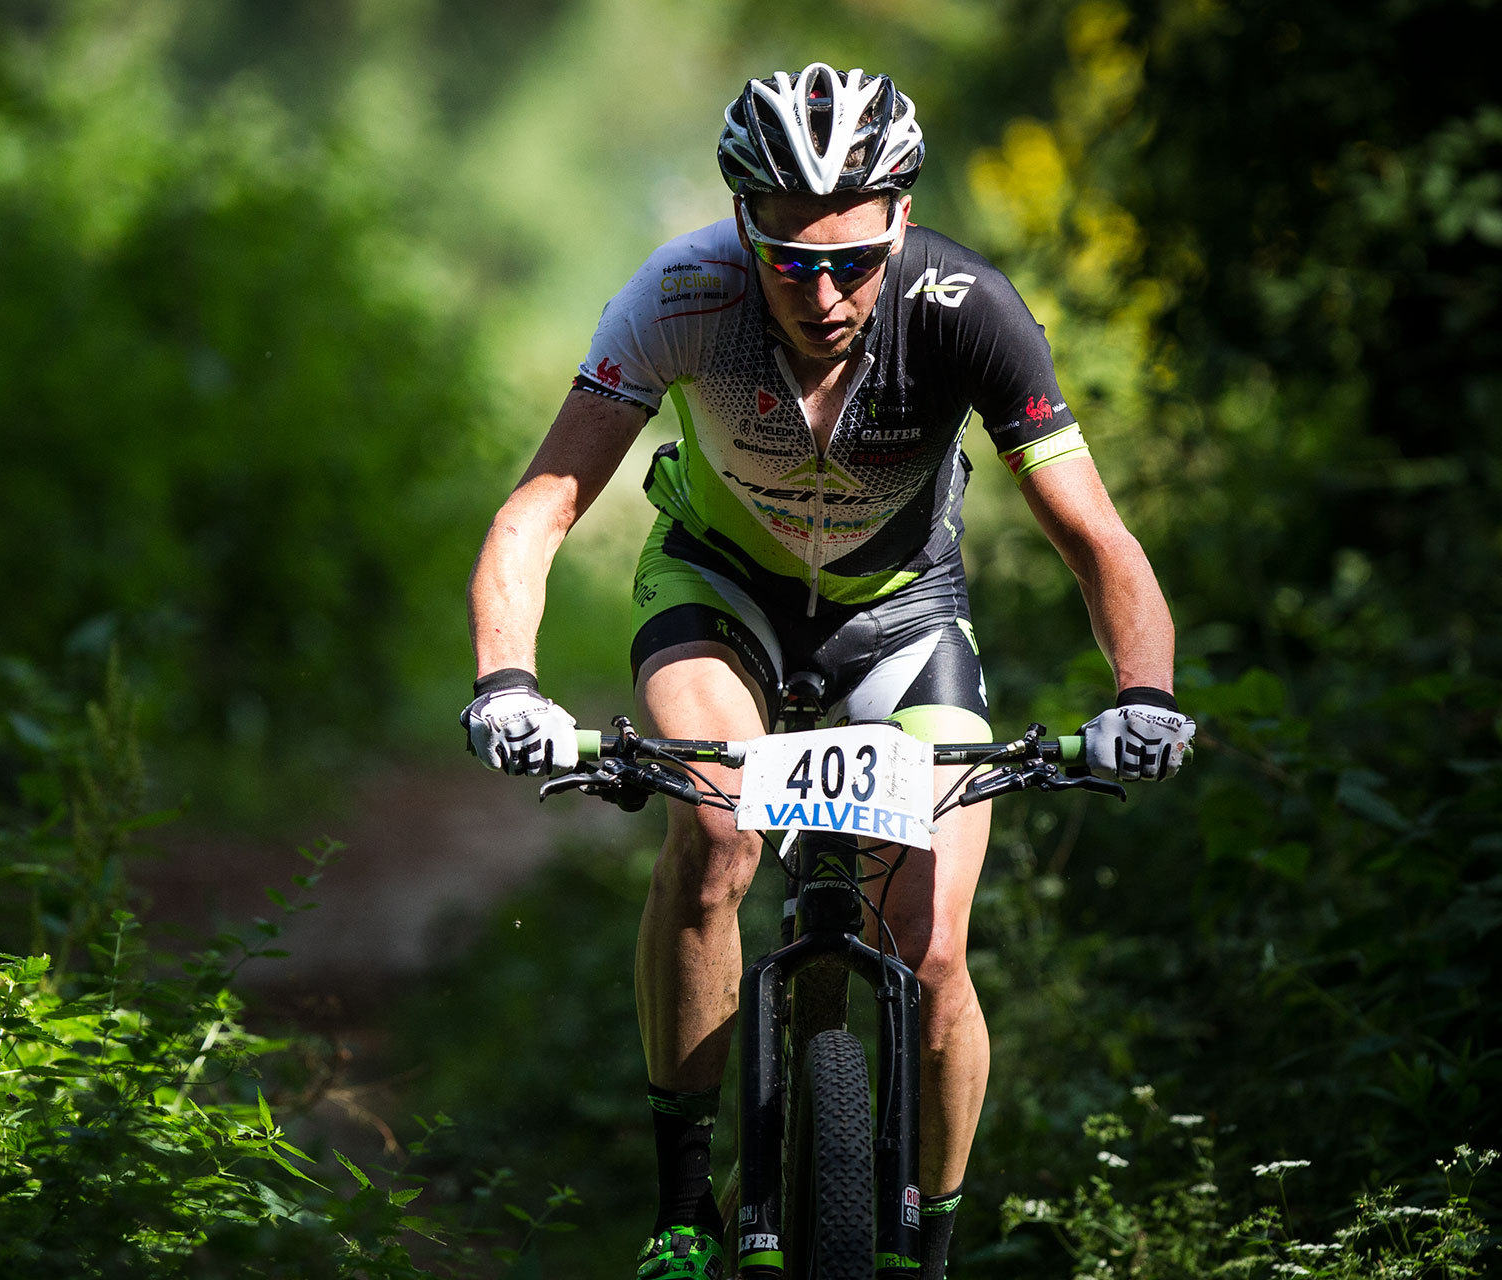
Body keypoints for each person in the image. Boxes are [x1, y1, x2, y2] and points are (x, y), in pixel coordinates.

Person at [460, 62, 1195, 1280]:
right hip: (718, 594)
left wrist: (1143, 695)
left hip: (903, 617)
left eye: (851, 259)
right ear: (741, 224)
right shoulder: (679, 295)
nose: (822, 290)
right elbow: (536, 514)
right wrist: (506, 681)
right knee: (713, 826)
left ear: (900, 218)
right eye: (788, 257)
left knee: (935, 947)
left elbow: (1096, 539)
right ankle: (687, 1212)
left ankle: (931, 1245)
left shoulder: (968, 309)